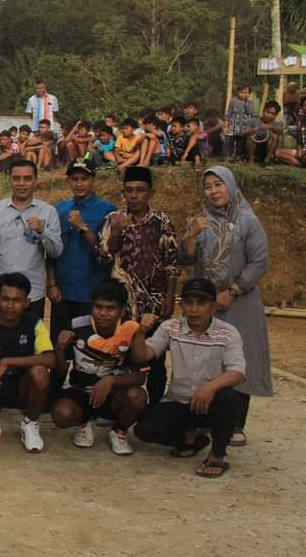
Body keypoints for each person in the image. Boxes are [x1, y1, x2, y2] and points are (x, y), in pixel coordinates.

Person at [179, 167, 270, 447]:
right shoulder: (200, 220)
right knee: (205, 360)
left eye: (219, 184)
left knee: (240, 361)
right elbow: (184, 259)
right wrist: (191, 235)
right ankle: (206, 420)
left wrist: (233, 290)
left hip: (240, 303)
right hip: (203, 305)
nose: (213, 191)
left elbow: (260, 261)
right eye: (207, 186)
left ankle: (235, 425)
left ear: (230, 186)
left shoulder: (247, 221)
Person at [132, 278, 247, 478]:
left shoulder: (228, 333)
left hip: (212, 403)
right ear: (181, 304)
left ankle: (217, 454)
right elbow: (142, 356)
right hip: (179, 401)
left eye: (201, 303)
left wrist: (210, 387)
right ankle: (191, 438)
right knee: (144, 429)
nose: (194, 309)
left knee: (230, 397)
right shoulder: (170, 328)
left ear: (213, 306)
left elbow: (238, 372)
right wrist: (140, 333)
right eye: (189, 302)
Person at [97, 166, 178, 403]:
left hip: (153, 303)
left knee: (155, 359)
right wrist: (116, 235)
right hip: (122, 306)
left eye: (139, 190)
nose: (134, 195)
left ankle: (153, 408)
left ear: (150, 192)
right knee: (120, 357)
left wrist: (170, 296)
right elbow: (102, 257)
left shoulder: (162, 221)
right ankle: (117, 407)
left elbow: (171, 261)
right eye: (129, 190)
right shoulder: (113, 220)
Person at [51, 281, 147, 455]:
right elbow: (60, 370)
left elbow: (140, 377)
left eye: (110, 308)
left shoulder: (131, 330)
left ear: (123, 310)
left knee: (138, 396)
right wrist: (59, 348)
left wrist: (110, 380)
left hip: (114, 394)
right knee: (61, 414)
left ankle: (119, 431)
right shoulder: (76, 325)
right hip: (81, 390)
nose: (103, 313)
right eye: (98, 307)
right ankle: (84, 421)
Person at [0, 272, 55, 453]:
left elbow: (50, 359)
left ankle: (30, 422)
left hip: (22, 388)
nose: (10, 306)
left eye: (17, 300)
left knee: (40, 373)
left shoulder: (34, 324)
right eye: (5, 299)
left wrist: (7, 362)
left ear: (27, 302)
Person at [0, 159, 62, 322]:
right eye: (16, 178)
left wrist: (42, 231)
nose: (21, 183)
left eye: (27, 178)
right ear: (10, 180)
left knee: (32, 342)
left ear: (35, 181)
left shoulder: (48, 211)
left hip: (33, 293)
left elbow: (56, 252)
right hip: (1, 293)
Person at [47, 160, 115, 347]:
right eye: (74, 179)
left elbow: (106, 251)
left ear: (93, 180)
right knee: (59, 346)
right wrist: (51, 284)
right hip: (63, 291)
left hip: (92, 292)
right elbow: (51, 249)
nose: (79, 183)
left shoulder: (107, 210)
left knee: (89, 347)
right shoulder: (59, 209)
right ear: (68, 181)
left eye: (84, 179)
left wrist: (83, 227)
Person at [245, 101, 284, 165]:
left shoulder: (278, 124)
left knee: (275, 135)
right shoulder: (252, 121)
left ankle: (268, 159)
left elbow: (280, 132)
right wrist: (256, 129)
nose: (269, 115)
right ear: (263, 111)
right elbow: (245, 132)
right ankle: (251, 159)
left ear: (276, 115)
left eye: (273, 114)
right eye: (268, 112)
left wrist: (271, 128)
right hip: (255, 149)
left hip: (269, 150)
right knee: (251, 135)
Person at [225, 84, 254, 161]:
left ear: (249, 94)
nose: (244, 94)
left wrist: (247, 102)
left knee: (241, 141)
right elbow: (229, 112)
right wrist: (226, 122)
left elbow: (250, 112)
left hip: (244, 125)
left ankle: (238, 155)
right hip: (233, 124)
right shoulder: (233, 100)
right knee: (231, 139)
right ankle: (229, 154)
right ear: (238, 92)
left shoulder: (249, 102)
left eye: (246, 93)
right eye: (242, 92)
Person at [275, 96, 306, 167]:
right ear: (302, 107)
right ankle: (300, 164)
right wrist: (299, 149)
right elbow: (299, 140)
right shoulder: (302, 121)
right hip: (303, 151)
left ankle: (300, 162)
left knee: (304, 157)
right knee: (278, 153)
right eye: (304, 105)